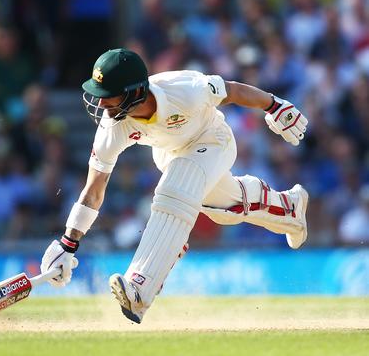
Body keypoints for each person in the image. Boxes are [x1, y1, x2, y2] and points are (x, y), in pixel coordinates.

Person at [40, 48, 309, 324]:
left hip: (213, 140)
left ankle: (139, 289)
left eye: (108, 95)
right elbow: (94, 190)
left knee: (174, 190)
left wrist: (274, 105)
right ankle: (290, 209)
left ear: (134, 92)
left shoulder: (185, 89)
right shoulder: (113, 127)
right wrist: (68, 244)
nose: (101, 103)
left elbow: (232, 90)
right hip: (171, 153)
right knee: (226, 207)